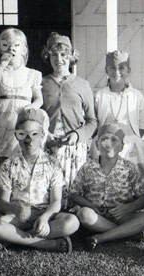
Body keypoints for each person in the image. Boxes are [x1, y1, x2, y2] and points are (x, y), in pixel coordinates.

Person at [0, 108, 80, 252]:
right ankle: (47, 244)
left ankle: (10, 240)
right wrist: (15, 209)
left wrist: (45, 218)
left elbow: (57, 201)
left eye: (34, 134)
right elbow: (0, 203)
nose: (28, 140)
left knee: (72, 222)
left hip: (44, 215)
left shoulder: (53, 164)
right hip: (15, 217)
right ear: (17, 136)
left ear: (42, 135)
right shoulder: (8, 165)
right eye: (22, 134)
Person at [0, 28, 43, 181]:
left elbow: (39, 99)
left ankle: (21, 194)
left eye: (16, 45)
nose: (11, 49)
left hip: (22, 119)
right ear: (0, 49)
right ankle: (0, 197)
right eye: (6, 45)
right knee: (3, 158)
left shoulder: (32, 74)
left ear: (24, 49)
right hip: (3, 121)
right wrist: (1, 67)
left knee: (24, 156)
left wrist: (31, 108)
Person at [71, 124, 144, 249]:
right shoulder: (87, 167)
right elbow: (74, 194)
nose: (108, 144)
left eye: (114, 140)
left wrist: (128, 208)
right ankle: (127, 233)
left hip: (122, 216)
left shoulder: (129, 167)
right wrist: (91, 206)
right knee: (84, 214)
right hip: (97, 217)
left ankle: (100, 237)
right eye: (103, 139)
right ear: (97, 145)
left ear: (121, 146)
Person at [41, 32, 98, 209]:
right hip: (47, 144)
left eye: (64, 54)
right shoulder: (40, 83)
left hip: (73, 147)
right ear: (47, 56)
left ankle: (73, 217)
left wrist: (77, 135)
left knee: (75, 194)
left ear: (71, 56)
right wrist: (44, 134)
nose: (59, 59)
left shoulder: (82, 84)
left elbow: (92, 121)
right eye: (54, 54)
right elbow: (34, 117)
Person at [92, 50, 144, 184]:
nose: (116, 72)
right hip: (106, 142)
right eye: (112, 68)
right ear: (106, 70)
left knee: (133, 180)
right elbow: (94, 122)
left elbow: (143, 125)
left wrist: (131, 140)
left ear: (128, 71)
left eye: (121, 68)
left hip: (130, 144)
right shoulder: (100, 95)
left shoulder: (136, 96)